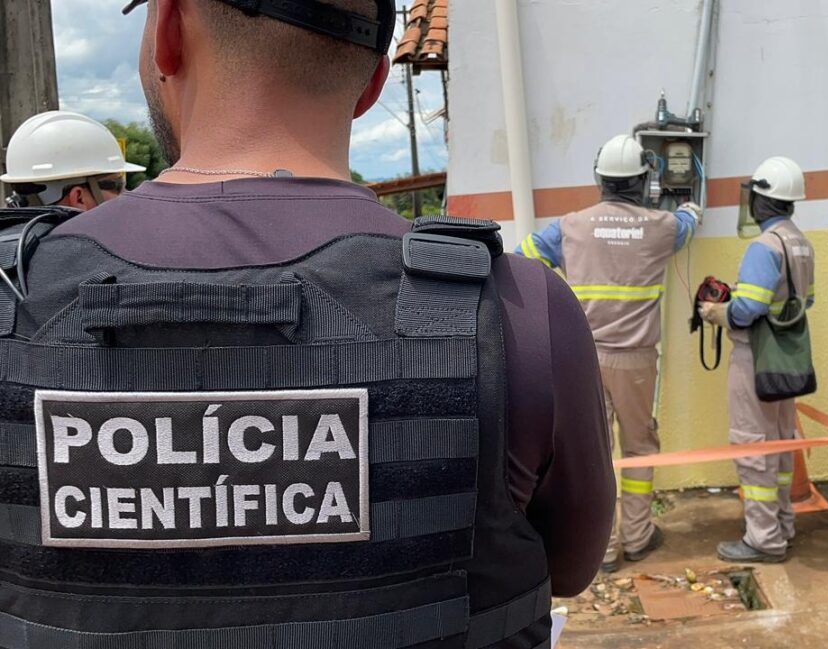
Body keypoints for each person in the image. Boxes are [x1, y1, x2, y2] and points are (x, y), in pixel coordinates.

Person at [0, 1, 615, 646]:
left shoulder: (16, 296)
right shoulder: (519, 313)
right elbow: (570, 568)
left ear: (169, 36)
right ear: (374, 81)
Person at [516, 134, 701, 573]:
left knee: (588, 453)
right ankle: (637, 537)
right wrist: (690, 203)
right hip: (637, 360)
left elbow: (524, 258)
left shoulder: (570, 226)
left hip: (582, 358)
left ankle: (599, 550)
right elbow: (691, 221)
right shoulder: (663, 226)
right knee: (639, 450)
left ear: (599, 178)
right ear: (643, 181)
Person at [699, 156, 815, 564]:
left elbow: (748, 309)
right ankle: (782, 524)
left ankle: (764, 539)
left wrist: (717, 312)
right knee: (781, 444)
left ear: (763, 201)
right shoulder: (799, 242)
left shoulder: (763, 247)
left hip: (754, 357)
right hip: (784, 359)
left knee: (752, 447)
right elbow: (805, 299)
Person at [2, 110, 143, 209]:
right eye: (117, 185)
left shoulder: (9, 247)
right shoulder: (96, 250)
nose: (126, 193)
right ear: (79, 198)